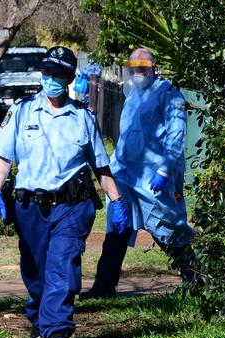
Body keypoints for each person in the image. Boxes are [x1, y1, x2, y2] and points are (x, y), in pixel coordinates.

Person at [0, 46, 128, 338]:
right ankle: (39, 320)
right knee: (35, 269)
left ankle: (57, 333)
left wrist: (115, 200)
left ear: (68, 79)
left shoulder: (82, 118)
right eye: (47, 73)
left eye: (58, 75)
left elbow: (100, 167)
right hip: (29, 208)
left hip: (71, 207)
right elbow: (3, 158)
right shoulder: (21, 112)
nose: (51, 80)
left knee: (62, 265)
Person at [80, 48, 195, 299]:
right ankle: (103, 287)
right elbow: (126, 136)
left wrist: (164, 169)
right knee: (117, 230)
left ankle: (196, 278)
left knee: (167, 228)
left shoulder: (168, 94)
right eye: (133, 67)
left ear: (154, 67)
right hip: (126, 175)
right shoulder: (132, 95)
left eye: (143, 66)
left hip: (154, 178)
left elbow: (176, 134)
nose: (138, 72)